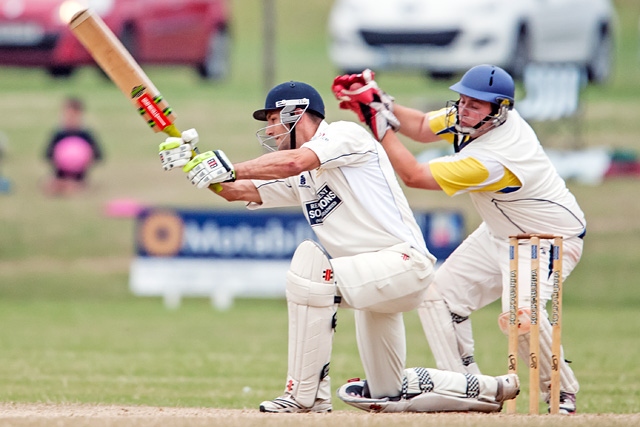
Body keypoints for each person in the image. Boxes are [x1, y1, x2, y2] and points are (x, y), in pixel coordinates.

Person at [158, 80, 519, 413]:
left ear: (294, 114)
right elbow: (237, 191)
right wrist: (195, 164)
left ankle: (306, 396)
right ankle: (493, 389)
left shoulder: (346, 136)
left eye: (272, 120)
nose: (269, 130)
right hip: (375, 282)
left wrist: (227, 166)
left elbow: (294, 161)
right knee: (386, 392)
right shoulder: (300, 175)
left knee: (310, 266)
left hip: (403, 264)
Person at [332, 65, 586, 414]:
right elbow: (421, 127)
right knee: (436, 296)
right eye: (463, 100)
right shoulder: (472, 116)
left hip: (547, 239)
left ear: (499, 110)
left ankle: (560, 390)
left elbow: (414, 175)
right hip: (498, 232)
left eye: (475, 105)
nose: (464, 109)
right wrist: (377, 102)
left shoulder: (495, 160)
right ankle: (468, 389)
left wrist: (376, 125)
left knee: (520, 315)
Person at [44, 97, 102, 196]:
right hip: (60, 173)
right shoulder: (59, 134)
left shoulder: (86, 134)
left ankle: (71, 186)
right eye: (66, 115)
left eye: (73, 115)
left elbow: (99, 155)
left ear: (80, 115)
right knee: (48, 185)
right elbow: (47, 154)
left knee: (76, 186)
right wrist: (56, 158)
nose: (69, 118)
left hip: (80, 175)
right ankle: (63, 185)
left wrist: (89, 158)